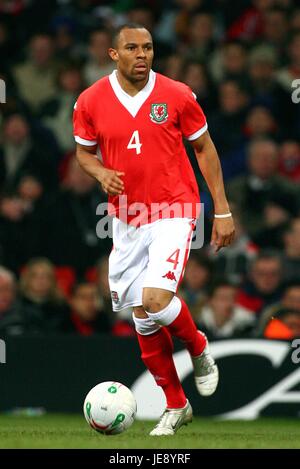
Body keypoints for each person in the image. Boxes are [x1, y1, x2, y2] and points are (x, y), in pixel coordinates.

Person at [73, 23, 235, 436]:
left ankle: (198, 348)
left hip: (174, 208)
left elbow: (204, 148)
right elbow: (83, 153)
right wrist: (99, 173)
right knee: (143, 319)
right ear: (114, 54)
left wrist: (222, 209)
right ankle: (176, 405)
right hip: (125, 218)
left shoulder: (177, 94)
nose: (142, 54)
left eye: (147, 47)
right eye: (132, 48)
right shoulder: (90, 100)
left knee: (157, 300)